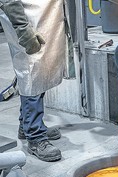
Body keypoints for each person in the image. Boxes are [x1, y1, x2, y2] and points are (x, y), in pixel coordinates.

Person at [0, 0, 71, 162]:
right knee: (30, 73)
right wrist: (22, 28)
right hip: (26, 18)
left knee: (40, 72)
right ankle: (35, 136)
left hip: (44, 16)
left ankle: (26, 126)